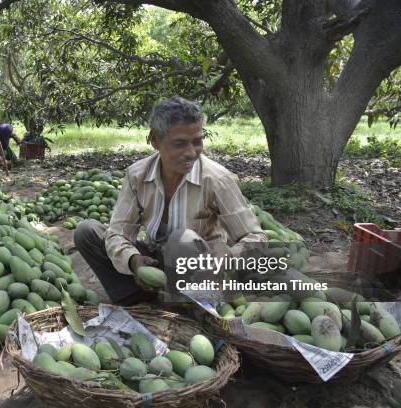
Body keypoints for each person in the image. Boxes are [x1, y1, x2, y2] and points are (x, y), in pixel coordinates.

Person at [74, 96, 267, 305]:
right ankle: (137, 297)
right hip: (156, 258)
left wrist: (226, 258)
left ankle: (191, 303)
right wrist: (134, 260)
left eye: (197, 141)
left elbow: (256, 238)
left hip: (198, 267)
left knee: (181, 239)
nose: (191, 153)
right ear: (154, 140)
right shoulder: (137, 175)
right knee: (87, 232)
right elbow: (118, 231)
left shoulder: (217, 179)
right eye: (179, 144)